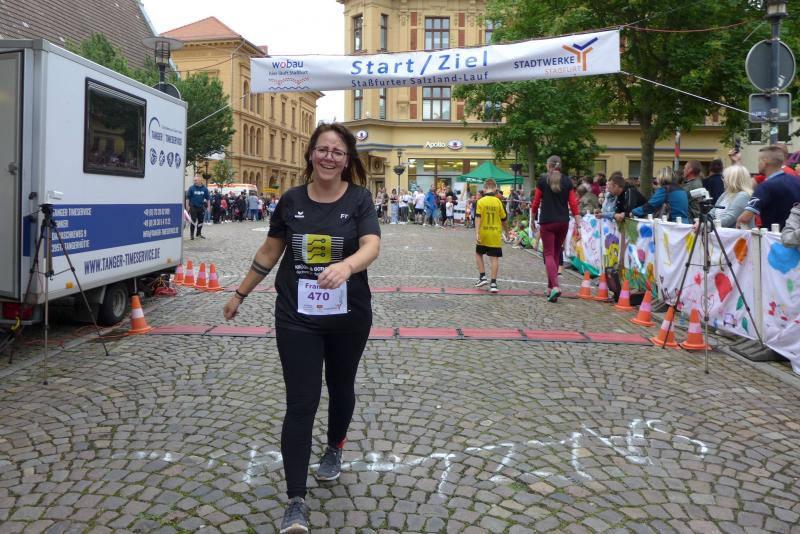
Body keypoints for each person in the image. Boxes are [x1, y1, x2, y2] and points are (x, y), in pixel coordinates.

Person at [223, 123, 381, 534]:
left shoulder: (360, 199)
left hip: (348, 316)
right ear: (311, 154)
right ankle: (296, 501)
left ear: (347, 160)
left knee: (341, 386)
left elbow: (371, 245)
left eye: (338, 152)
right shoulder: (291, 200)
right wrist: (240, 293)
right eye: (323, 149)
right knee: (301, 401)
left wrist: (347, 266)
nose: (329, 157)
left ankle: (335, 447)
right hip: (297, 316)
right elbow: (270, 250)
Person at [530, 169, 582, 302]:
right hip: (563, 222)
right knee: (555, 254)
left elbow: (536, 202)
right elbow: (573, 203)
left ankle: (555, 286)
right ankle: (550, 288)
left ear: (548, 166)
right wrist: (578, 223)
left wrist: (532, 219)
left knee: (548, 254)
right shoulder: (567, 181)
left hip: (547, 221)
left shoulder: (543, 180)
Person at [738, 145, 800, 230]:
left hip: (773, 235)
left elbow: (744, 219)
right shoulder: (797, 181)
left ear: (764, 162)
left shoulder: (765, 187)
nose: (758, 164)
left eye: (759, 160)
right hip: (795, 234)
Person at [473, 179, 508, 292]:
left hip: (483, 232)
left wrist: (477, 233)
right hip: (495, 233)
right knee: (494, 258)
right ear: (495, 189)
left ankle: (482, 276)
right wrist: (507, 232)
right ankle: (493, 283)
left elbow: (477, 217)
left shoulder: (480, 201)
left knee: (478, 253)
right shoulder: (499, 202)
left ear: (484, 189)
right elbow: (504, 219)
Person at [185, 175, 209, 240]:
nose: (194, 181)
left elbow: (208, 199)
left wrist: (208, 207)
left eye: (195, 180)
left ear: (200, 180)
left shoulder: (205, 189)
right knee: (193, 220)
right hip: (193, 206)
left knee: (201, 221)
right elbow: (187, 198)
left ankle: (198, 233)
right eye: (194, 180)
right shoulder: (191, 188)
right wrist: (187, 206)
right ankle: (192, 234)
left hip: (201, 207)